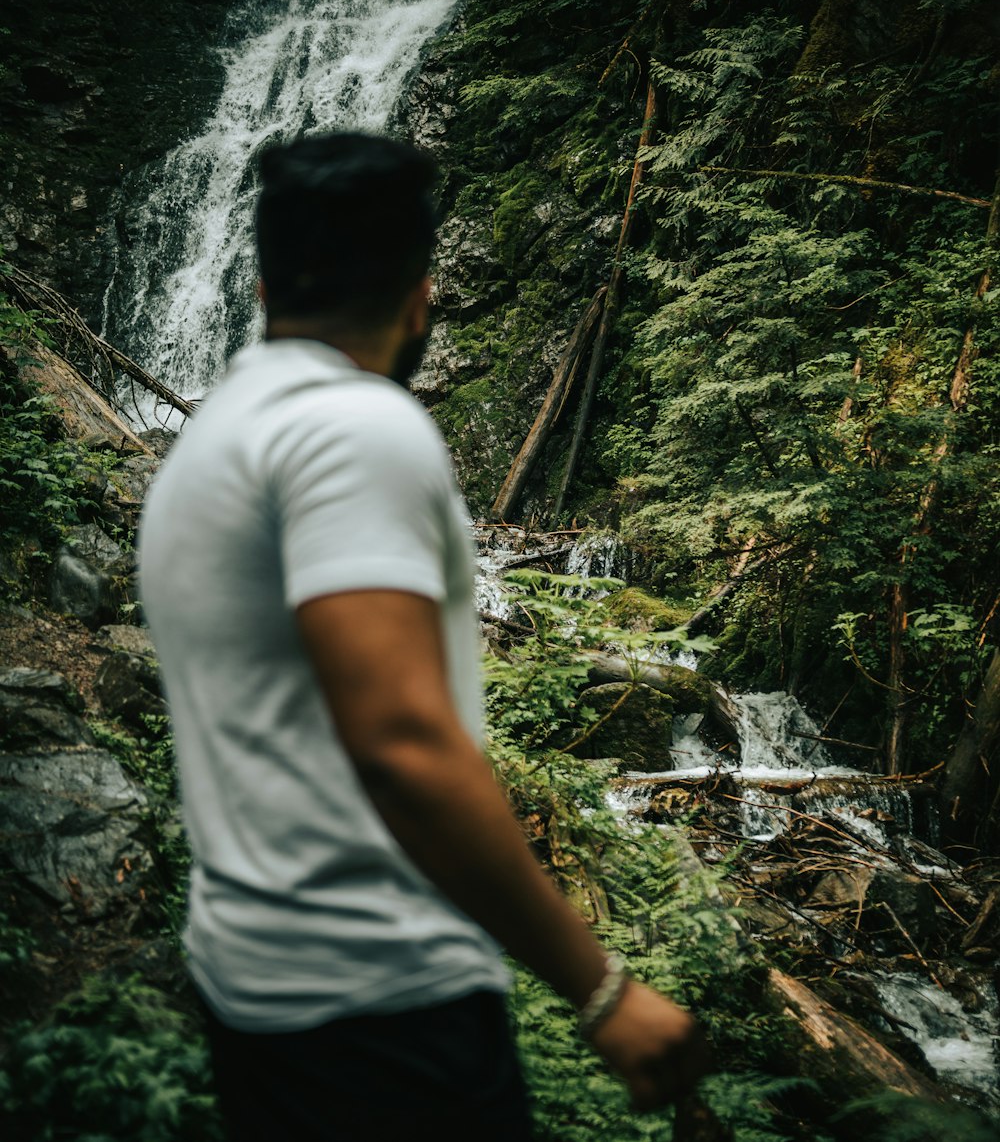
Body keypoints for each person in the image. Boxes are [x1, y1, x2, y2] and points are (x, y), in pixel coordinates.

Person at [138, 131, 708, 1142]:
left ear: (263, 285)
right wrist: (602, 987)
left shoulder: (211, 439)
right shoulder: (356, 424)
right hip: (386, 1006)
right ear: (421, 294)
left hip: (256, 989)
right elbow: (402, 739)